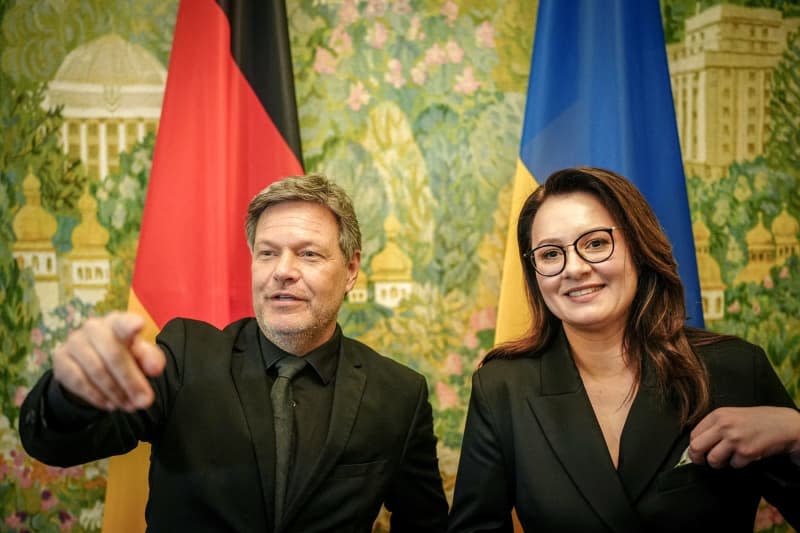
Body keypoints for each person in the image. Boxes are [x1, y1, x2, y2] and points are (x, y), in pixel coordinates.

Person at [20, 173, 449, 532]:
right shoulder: (185, 355)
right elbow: (56, 446)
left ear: (351, 269)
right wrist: (71, 394)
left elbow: (425, 526)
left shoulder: (399, 393)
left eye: (308, 254)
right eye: (267, 253)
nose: (283, 271)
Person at [448, 167, 800, 532]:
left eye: (596, 244)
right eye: (551, 254)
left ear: (638, 247)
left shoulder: (736, 369)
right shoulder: (502, 388)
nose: (575, 268)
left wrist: (797, 432)